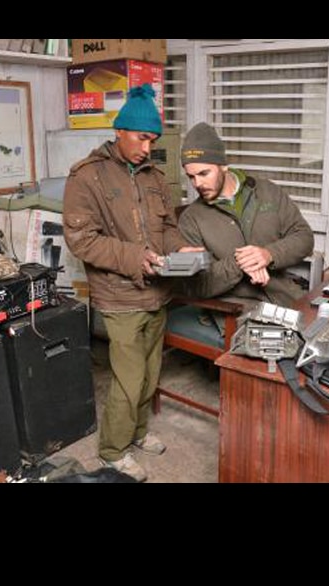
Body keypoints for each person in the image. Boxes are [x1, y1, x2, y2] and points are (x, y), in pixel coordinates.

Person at [63, 84, 200, 483]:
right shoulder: (86, 177)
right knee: (128, 378)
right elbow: (82, 240)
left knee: (152, 370)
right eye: (142, 138)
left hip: (158, 292)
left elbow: (167, 228)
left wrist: (183, 249)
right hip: (119, 295)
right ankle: (112, 451)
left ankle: (137, 434)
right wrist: (135, 257)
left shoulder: (154, 176)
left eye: (153, 140)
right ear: (119, 130)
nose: (147, 147)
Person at [178, 121, 314, 308]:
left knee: (327, 331)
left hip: (285, 297)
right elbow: (196, 285)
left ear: (223, 165)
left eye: (204, 173)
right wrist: (238, 263)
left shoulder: (268, 191)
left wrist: (268, 254)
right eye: (191, 177)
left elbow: (305, 238)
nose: (197, 184)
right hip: (237, 309)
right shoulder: (191, 219)